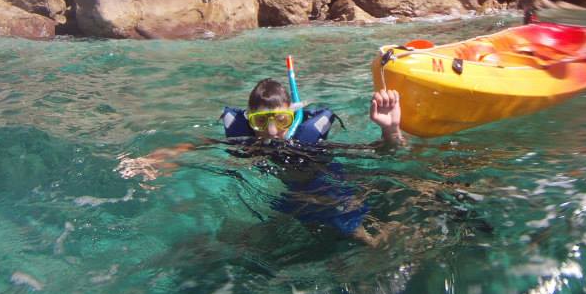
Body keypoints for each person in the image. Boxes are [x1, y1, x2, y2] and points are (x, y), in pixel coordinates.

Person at [117, 80, 405, 244]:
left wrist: (390, 131)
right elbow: (200, 143)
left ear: (291, 117)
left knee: (362, 238)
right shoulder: (248, 138)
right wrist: (161, 157)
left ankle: (396, 231)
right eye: (260, 121)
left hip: (328, 184)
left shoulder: (305, 139)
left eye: (280, 120)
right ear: (249, 118)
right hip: (294, 193)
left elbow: (378, 152)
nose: (270, 131)